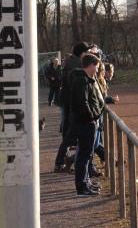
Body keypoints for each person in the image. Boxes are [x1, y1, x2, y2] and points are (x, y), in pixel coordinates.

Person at [54, 42, 94, 172]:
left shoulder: (72, 62)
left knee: (71, 135)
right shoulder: (76, 65)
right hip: (72, 105)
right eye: (87, 52)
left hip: (70, 104)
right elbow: (76, 86)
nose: (88, 53)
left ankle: (65, 161)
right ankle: (61, 163)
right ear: (82, 53)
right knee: (70, 135)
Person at [69, 53, 105, 196]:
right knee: (84, 155)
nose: (97, 70)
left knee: (86, 155)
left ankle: (86, 183)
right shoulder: (81, 81)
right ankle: (82, 187)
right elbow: (82, 103)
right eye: (96, 67)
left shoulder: (85, 80)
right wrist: (91, 117)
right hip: (85, 123)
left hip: (86, 122)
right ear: (90, 66)